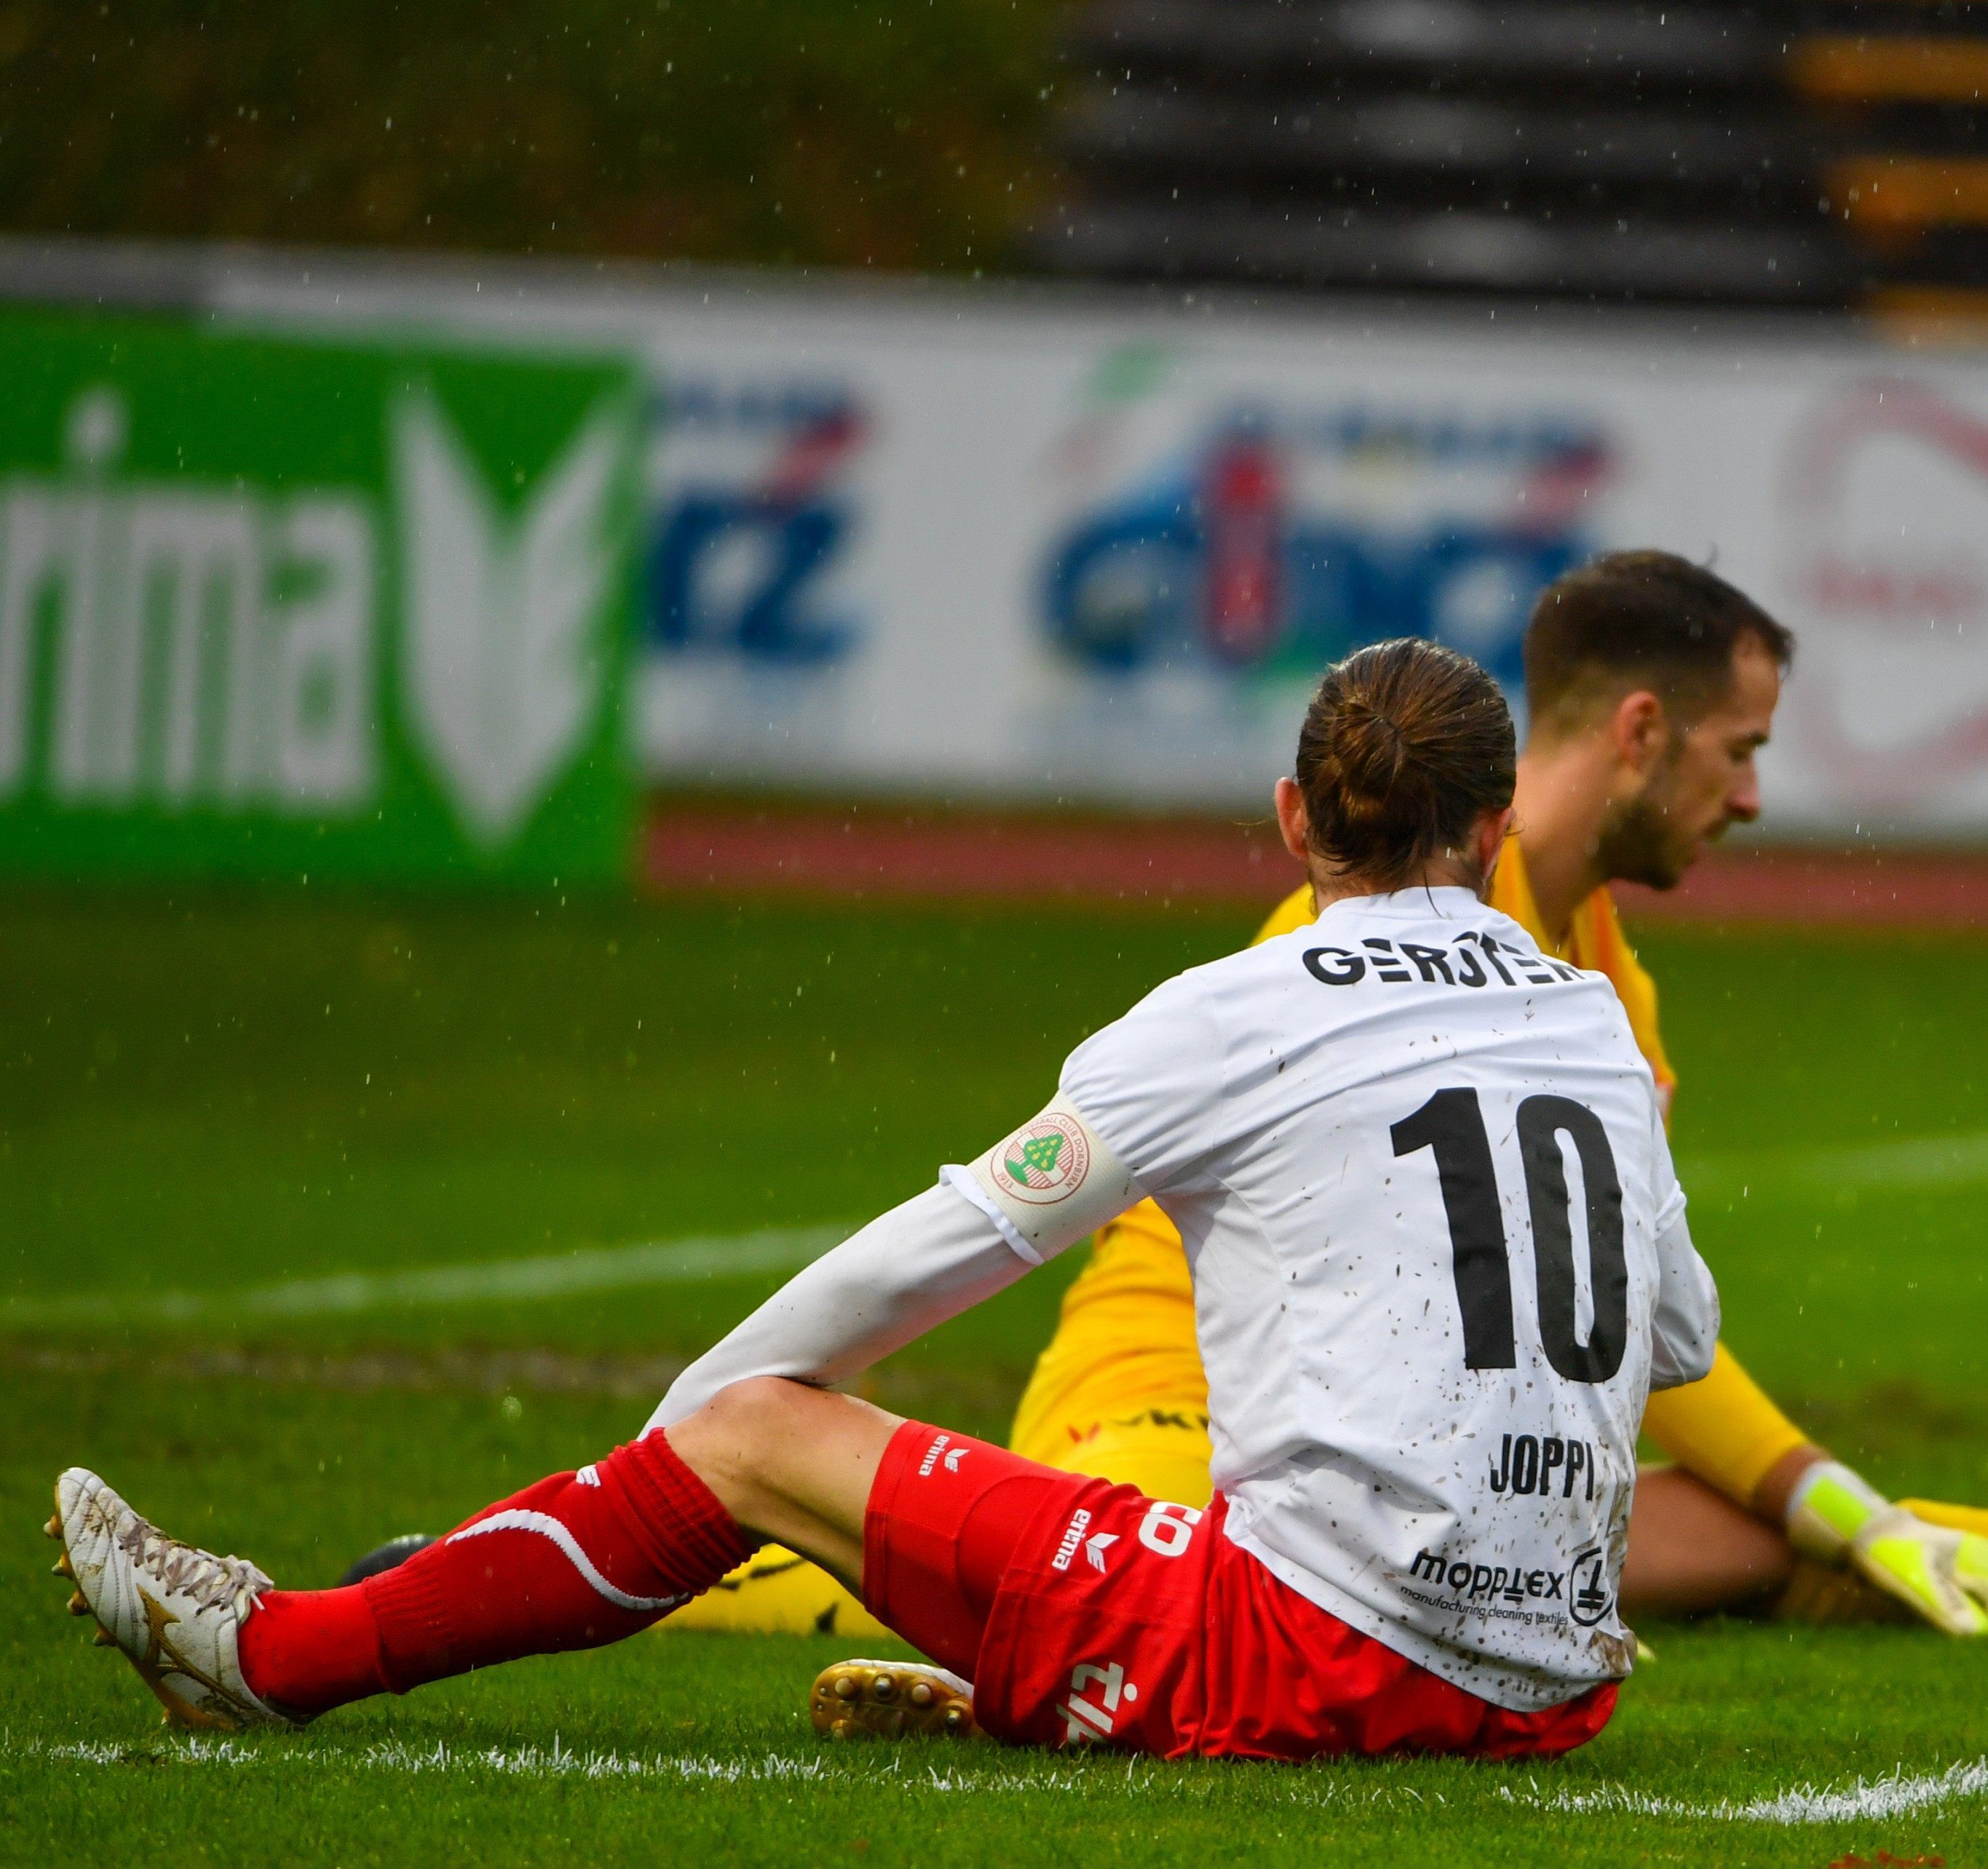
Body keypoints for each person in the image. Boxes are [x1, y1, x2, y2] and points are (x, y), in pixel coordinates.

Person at [56, 638, 1719, 1760]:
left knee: (763, 1434)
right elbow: (1673, 1337)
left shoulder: (1236, 1007)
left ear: (1292, 816)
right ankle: (1038, 1680)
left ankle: (270, 1659)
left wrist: (693, 1438)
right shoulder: (1585, 1015)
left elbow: (943, 1248)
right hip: (1557, 1688)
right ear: (1497, 827)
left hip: (1317, 1662)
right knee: (1139, 1519)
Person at [652, 551, 1988, 1640]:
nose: (1754, 796)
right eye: (1739, 750)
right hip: (1186, 1420)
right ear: (1643, 732)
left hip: (1407, 1451)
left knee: (1789, 1531)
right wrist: (1835, 1504)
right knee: (1125, 1589)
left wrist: (1839, 1508)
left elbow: (1602, 1313)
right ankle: (730, 1583)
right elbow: (985, 1218)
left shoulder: (1601, 986)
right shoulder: (1347, 944)